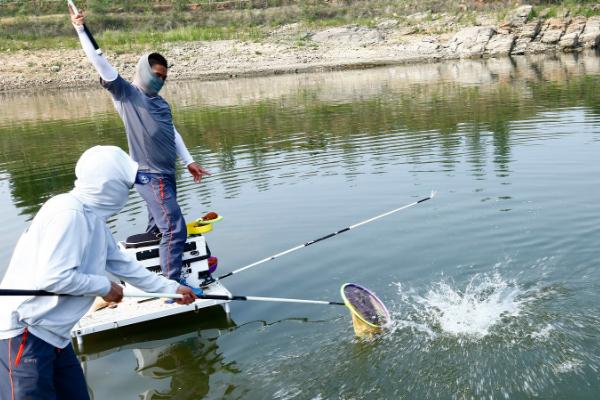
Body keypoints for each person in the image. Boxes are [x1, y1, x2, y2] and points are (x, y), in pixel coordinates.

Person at [0, 146, 197, 400]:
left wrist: (172, 289)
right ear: (108, 184)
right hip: (24, 332)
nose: (128, 192)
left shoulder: (91, 218)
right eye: (125, 186)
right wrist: (104, 287)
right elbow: (53, 278)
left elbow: (123, 265)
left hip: (55, 336)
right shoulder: (68, 214)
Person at [69, 7, 210, 284]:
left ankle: (152, 273)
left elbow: (172, 132)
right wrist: (81, 29)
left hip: (167, 174)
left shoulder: (160, 103)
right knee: (174, 229)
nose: (161, 80)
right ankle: (172, 285)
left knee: (160, 229)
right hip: (150, 175)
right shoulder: (127, 94)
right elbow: (100, 63)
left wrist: (189, 161)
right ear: (145, 71)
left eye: (164, 77)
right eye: (157, 74)